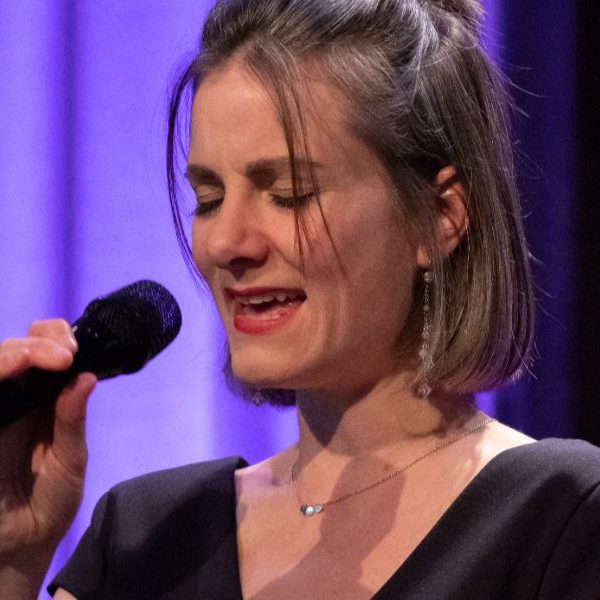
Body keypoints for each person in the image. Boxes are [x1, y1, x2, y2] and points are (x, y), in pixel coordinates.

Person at [1, 0, 599, 598]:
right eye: (209, 200)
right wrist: (15, 563)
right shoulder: (147, 535)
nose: (226, 244)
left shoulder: (562, 520)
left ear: (440, 217)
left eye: (289, 194)